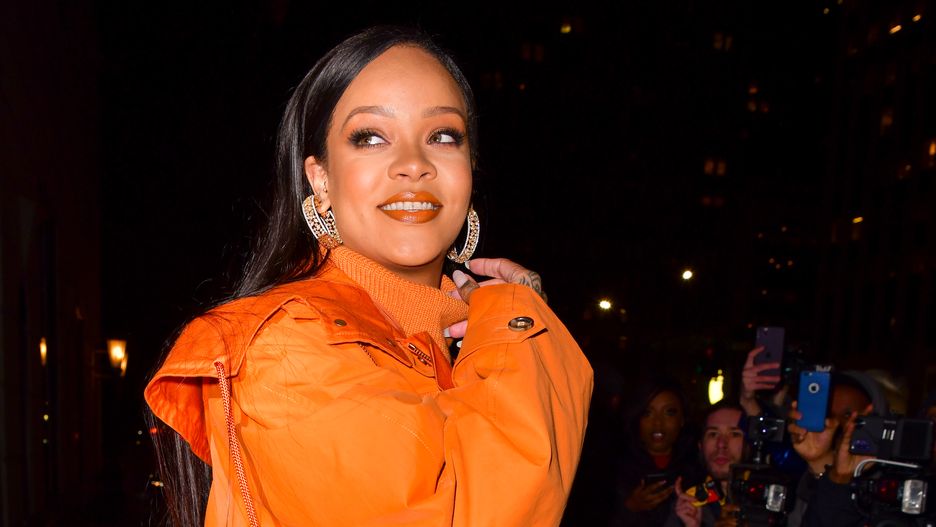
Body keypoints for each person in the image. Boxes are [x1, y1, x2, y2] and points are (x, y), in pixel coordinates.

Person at [144, 26, 593, 527]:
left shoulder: (467, 342)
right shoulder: (285, 347)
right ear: (320, 179)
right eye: (371, 137)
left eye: (443, 136)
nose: (414, 165)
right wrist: (522, 330)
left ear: (470, 170)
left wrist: (503, 331)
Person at [610, 378, 700, 526]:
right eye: (647, 413)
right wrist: (630, 508)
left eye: (669, 412)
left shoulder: (698, 465)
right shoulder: (613, 467)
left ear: (682, 418)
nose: (658, 423)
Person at [666, 402, 746, 527]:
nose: (721, 444)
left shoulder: (771, 500)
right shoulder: (687, 504)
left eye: (734, 434)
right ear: (700, 446)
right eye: (713, 434)